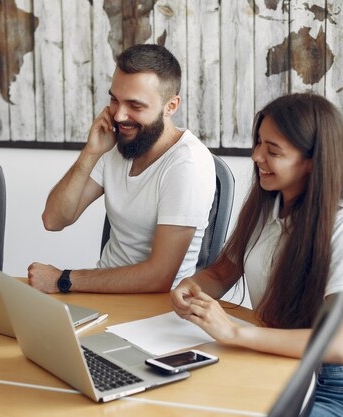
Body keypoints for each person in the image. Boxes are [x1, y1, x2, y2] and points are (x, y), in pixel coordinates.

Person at [171, 93, 343, 416]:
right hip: (275, 366)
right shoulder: (266, 206)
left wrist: (234, 332)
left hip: (340, 388)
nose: (257, 156)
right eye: (258, 143)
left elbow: (340, 346)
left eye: (273, 151)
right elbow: (220, 273)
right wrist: (191, 288)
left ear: (312, 160)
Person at [28, 44, 216, 294]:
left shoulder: (188, 164)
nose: (118, 116)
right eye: (114, 100)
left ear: (171, 106)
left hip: (155, 308)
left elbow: (158, 277)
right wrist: (90, 153)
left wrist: (63, 279)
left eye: (135, 106)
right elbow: (54, 220)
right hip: (101, 295)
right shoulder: (117, 146)